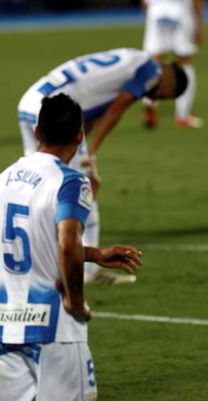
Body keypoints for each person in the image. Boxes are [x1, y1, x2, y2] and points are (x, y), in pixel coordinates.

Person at [0, 94, 143, 401]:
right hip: (54, 330)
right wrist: (77, 302)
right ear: (80, 137)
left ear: (37, 133)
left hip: (4, 323)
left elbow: (37, 238)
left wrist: (95, 254)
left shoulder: (7, 176)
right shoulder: (70, 182)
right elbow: (67, 243)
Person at [17, 47, 186, 284]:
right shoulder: (151, 72)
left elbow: (92, 111)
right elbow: (117, 108)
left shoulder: (131, 57)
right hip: (51, 111)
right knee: (86, 186)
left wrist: (86, 149)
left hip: (31, 104)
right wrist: (91, 151)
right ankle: (82, 269)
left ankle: (24, 254)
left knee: (37, 184)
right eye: (165, 95)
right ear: (171, 80)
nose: (156, 99)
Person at [142, 0, 203, 128]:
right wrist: (198, 23)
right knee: (184, 61)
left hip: (156, 9)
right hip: (180, 9)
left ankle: (149, 102)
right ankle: (183, 115)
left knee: (155, 60)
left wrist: (148, 14)